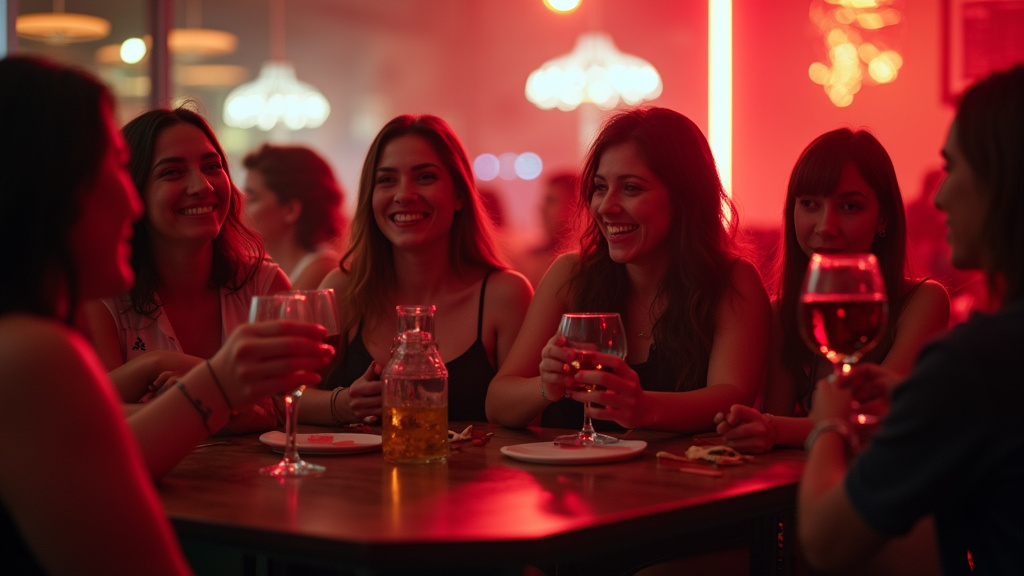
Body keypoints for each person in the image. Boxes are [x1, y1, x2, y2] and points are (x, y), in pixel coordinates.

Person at [0, 56, 331, 575]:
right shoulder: (29, 351)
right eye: (112, 167)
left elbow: (111, 448)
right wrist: (217, 383)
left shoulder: (24, 340)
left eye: (211, 166)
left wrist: (214, 382)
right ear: (49, 189)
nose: (133, 201)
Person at [798, 65, 1024, 575]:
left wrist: (829, 421)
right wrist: (920, 400)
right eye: (809, 204)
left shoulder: (978, 361)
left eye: (953, 168)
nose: (940, 197)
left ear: (1003, 179)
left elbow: (825, 539)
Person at [486, 107, 771, 433]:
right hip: (573, 480)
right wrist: (546, 386)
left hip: (684, 480)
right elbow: (497, 402)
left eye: (632, 188)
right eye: (601, 187)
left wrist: (644, 407)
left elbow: (732, 398)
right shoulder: (570, 274)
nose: (607, 206)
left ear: (684, 197)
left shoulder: (731, 281)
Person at [714, 128, 949, 454]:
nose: (826, 226)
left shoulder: (923, 301)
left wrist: (772, 427)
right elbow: (775, 419)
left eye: (850, 207)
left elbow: (874, 419)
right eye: (809, 204)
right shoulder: (783, 313)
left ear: (884, 218)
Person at [299, 114, 533, 424]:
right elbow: (288, 395)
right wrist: (341, 404)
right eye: (386, 180)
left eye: (425, 177)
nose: (404, 195)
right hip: (351, 474)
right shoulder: (343, 288)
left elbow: (529, 420)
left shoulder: (505, 294)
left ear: (459, 194)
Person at [78, 105, 292, 434]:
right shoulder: (103, 297)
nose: (202, 185)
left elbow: (278, 409)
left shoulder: (265, 285)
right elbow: (93, 418)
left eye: (212, 167)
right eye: (172, 172)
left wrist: (176, 391)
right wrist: (164, 367)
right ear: (134, 193)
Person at [242, 144, 349, 290]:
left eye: (252, 199)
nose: (241, 207)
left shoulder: (322, 267)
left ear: (291, 210)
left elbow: (274, 312)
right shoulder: (264, 267)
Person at [509, 171, 581, 289]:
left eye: (550, 201)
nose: (541, 209)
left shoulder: (583, 264)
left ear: (575, 207)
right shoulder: (530, 260)